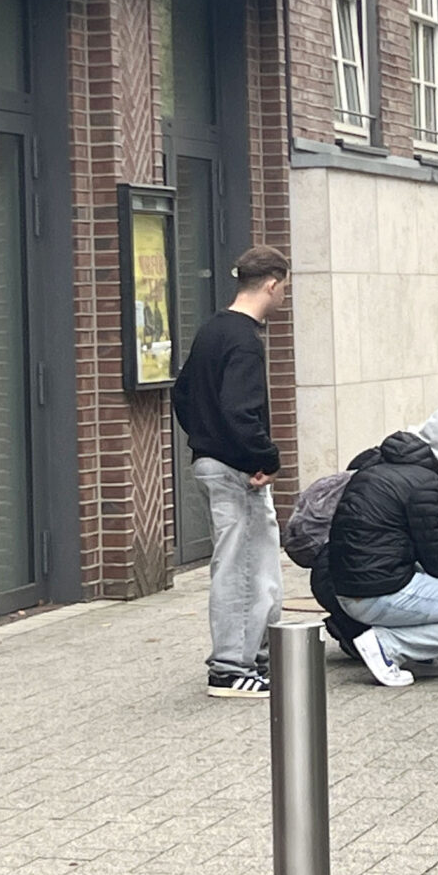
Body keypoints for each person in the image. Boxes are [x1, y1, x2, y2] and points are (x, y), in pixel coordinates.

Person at [173, 246, 292, 698]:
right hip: (236, 470)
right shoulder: (245, 341)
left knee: (251, 564)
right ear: (272, 284)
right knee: (244, 567)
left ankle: (254, 658)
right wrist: (265, 457)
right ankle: (230, 667)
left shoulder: (212, 331)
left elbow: (182, 395)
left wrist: (204, 437)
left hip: (211, 461)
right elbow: (240, 411)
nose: (284, 297)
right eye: (284, 288)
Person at [327, 408, 438, 687]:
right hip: (378, 592)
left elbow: (409, 527)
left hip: (350, 588)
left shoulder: (379, 463)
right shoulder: (426, 482)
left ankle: (424, 655)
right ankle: (388, 646)